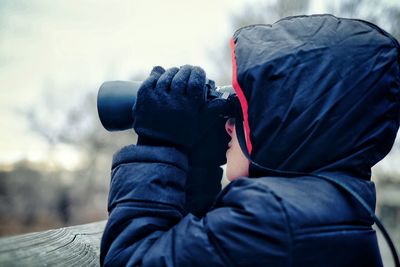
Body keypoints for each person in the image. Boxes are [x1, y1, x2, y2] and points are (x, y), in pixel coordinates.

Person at [100, 14, 400, 266]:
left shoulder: (270, 217)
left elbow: (130, 259)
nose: (229, 126)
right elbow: (197, 246)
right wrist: (199, 162)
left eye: (244, 113)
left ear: (289, 124)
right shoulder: (331, 206)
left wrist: (160, 143)